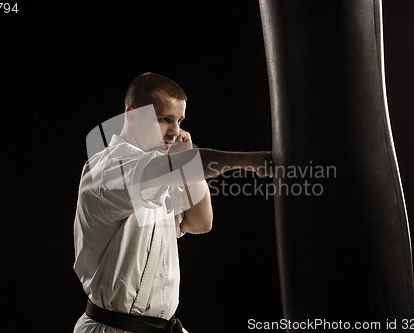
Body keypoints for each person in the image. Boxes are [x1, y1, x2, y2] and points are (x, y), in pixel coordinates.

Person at [72, 72, 273, 333]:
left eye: (179, 121)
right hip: (113, 327)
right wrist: (250, 161)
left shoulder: (162, 172)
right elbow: (174, 168)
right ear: (133, 115)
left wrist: (185, 157)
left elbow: (201, 223)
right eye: (164, 119)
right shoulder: (109, 168)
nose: (174, 132)